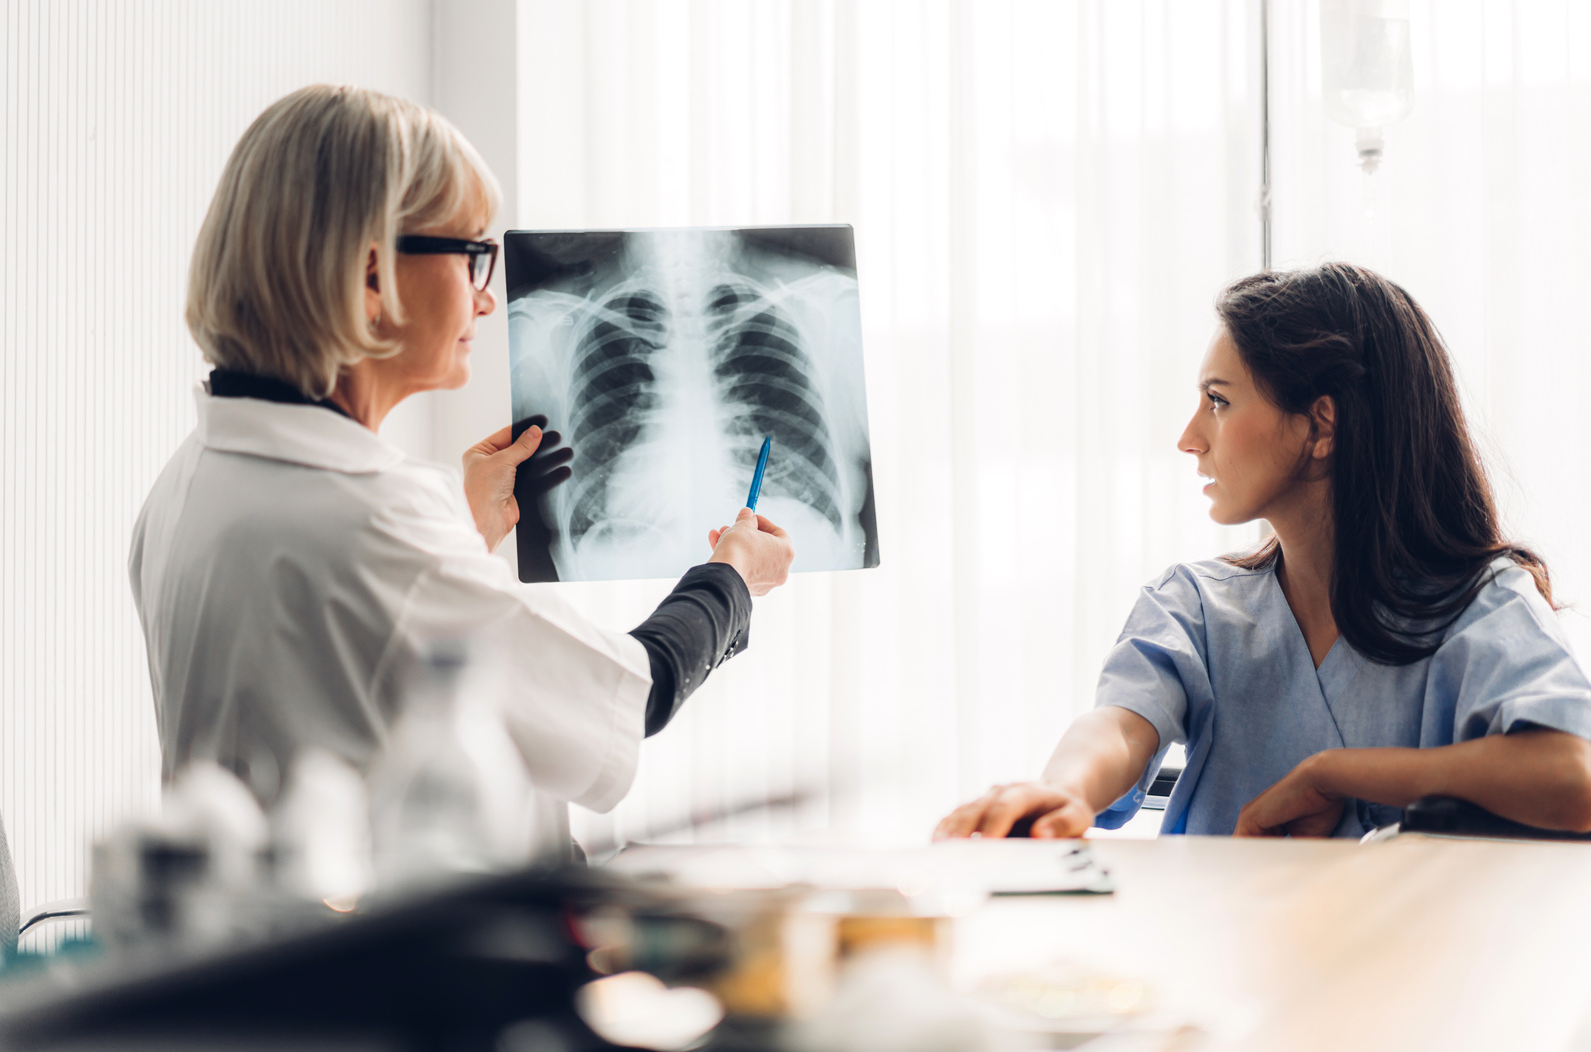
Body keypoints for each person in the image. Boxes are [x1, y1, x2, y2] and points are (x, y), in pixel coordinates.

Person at [129, 85, 794, 859]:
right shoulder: (366, 520)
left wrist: (463, 532)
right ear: (373, 276)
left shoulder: (189, 480)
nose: (485, 300)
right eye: (473, 254)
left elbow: (342, 663)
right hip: (395, 966)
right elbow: (632, 690)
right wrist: (733, 578)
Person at [936, 263, 1591, 840]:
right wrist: (1066, 790)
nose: (1188, 437)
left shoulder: (1479, 604)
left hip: (1403, 969)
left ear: (1320, 425)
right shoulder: (1194, 603)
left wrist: (1335, 774)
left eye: (1217, 401)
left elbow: (1574, 775)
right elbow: (1118, 726)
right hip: (1209, 962)